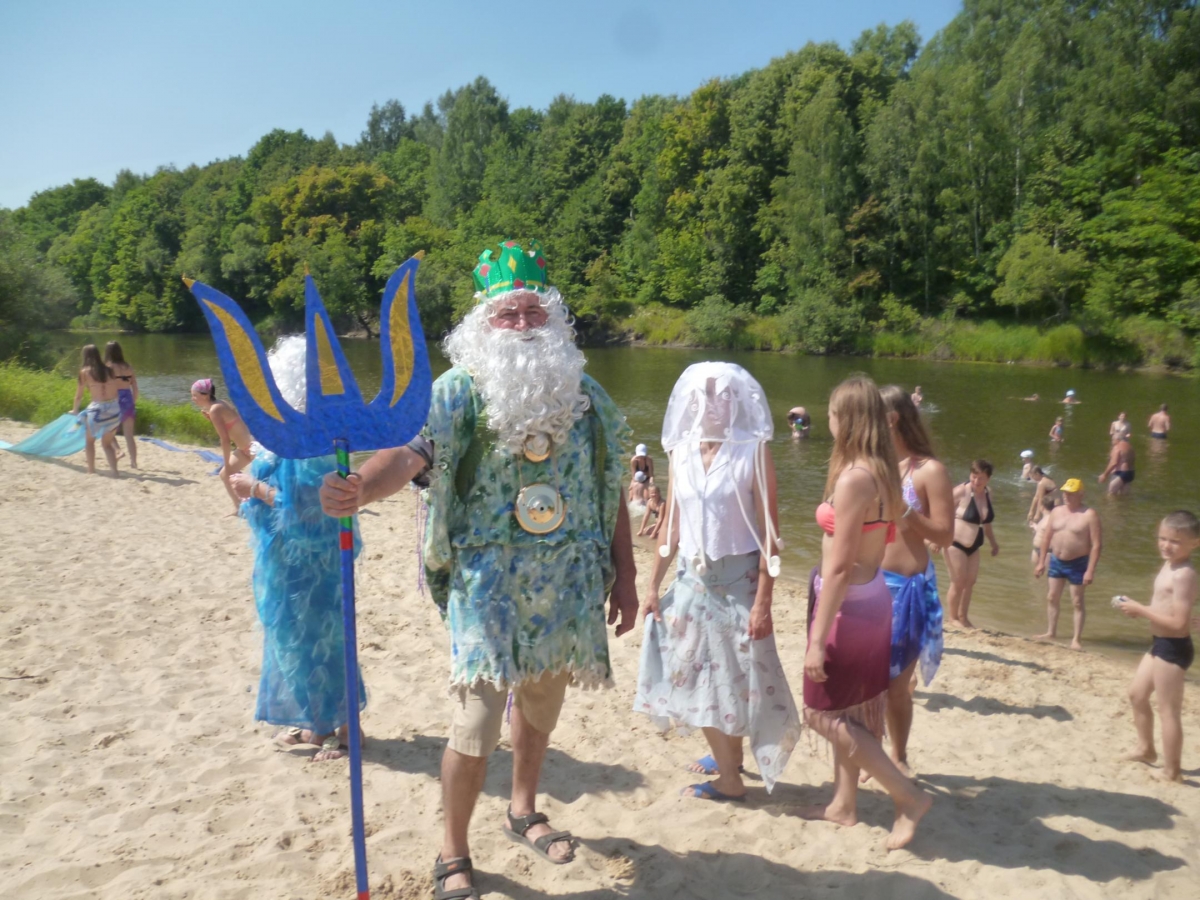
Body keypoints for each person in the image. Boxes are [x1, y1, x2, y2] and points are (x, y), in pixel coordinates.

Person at [319, 240, 638, 900]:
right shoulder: (458, 391)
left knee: (543, 702)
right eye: (507, 314)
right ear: (483, 324)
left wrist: (627, 575)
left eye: (533, 312)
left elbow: (610, 488)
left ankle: (523, 809)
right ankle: (453, 850)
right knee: (475, 722)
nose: (522, 325)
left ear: (554, 320)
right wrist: (360, 488)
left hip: (567, 586)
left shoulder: (587, 396)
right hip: (486, 585)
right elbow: (409, 454)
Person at [635, 362, 799, 802]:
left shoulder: (752, 452)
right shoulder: (681, 452)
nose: (713, 403)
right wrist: (652, 587)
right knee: (694, 679)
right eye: (705, 395)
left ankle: (730, 775)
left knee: (738, 679)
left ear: (737, 399)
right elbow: (671, 526)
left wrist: (764, 601)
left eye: (723, 394)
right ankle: (730, 765)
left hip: (739, 582)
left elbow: (770, 536)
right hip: (692, 582)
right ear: (691, 401)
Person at [801, 375, 932, 852]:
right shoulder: (883, 472)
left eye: (832, 413)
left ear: (848, 419)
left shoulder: (856, 478)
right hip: (873, 594)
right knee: (850, 708)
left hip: (850, 603)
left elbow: (839, 567)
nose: (828, 421)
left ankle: (908, 796)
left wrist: (818, 639)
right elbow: (885, 537)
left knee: (819, 712)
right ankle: (844, 804)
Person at [226, 335, 364, 762]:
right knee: (303, 641)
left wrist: (255, 488)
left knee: (323, 640)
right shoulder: (289, 436)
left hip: (313, 563)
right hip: (287, 560)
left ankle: (343, 731)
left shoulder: (315, 441)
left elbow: (309, 510)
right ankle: (320, 724)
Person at [877, 385, 954, 778]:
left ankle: (899, 755)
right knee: (867, 681)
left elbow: (945, 535)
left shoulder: (929, 471)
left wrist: (905, 510)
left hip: (906, 588)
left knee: (896, 686)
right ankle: (871, 752)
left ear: (891, 420)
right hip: (868, 584)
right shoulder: (873, 467)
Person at [1116, 511, 1199, 783]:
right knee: (1137, 694)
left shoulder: (1184, 574)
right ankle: (1146, 749)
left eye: (1175, 541)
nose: (1166, 545)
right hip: (1160, 643)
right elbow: (1168, 607)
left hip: (1174, 648)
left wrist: (1141, 610)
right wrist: (1140, 608)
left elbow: (1179, 624)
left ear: (1194, 543)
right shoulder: (1169, 565)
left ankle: (1172, 772)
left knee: (1168, 711)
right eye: (1163, 538)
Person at [1034, 478, 1102, 650]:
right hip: (1056, 560)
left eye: (1071, 493)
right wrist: (1041, 562)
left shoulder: (1089, 515)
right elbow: (1047, 537)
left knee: (1077, 601)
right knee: (1052, 597)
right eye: (1065, 492)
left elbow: (1096, 545)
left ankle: (1076, 639)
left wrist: (1090, 570)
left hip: (1078, 563)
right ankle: (1051, 632)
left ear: (1081, 494)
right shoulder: (1057, 512)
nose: (1066, 496)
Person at [944, 460, 999, 629]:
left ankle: (963, 617)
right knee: (958, 581)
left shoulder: (988, 494)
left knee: (970, 582)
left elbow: (986, 523)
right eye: (974, 476)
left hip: (974, 545)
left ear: (988, 479)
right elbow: (942, 512)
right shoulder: (961, 491)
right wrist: (936, 538)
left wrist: (993, 543)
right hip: (955, 542)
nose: (976, 481)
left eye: (981, 478)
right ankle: (952, 617)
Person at [191, 378, 255, 514]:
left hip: (253, 449)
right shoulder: (220, 404)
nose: (193, 399)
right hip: (244, 448)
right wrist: (212, 419)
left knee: (264, 480)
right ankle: (239, 508)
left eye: (195, 395)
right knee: (224, 474)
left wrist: (226, 463)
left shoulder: (215, 409)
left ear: (205, 395)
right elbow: (231, 428)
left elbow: (225, 440)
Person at [70, 344, 121, 477]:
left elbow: (79, 396)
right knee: (107, 444)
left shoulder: (85, 372)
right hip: (114, 410)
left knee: (90, 441)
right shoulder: (110, 370)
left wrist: (75, 410)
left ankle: (91, 470)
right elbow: (116, 393)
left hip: (97, 411)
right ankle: (115, 471)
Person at [104, 341, 138, 469]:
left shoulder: (108, 367)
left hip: (114, 399)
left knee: (107, 429)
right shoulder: (129, 367)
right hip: (128, 399)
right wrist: (132, 402)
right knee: (129, 435)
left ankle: (118, 450)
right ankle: (133, 462)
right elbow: (135, 389)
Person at [1031, 495, 1057, 566]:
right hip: (1037, 549)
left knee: (1045, 570)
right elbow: (1044, 531)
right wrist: (1035, 527)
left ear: (1042, 507)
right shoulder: (1044, 519)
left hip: (1047, 552)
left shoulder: (1050, 519)